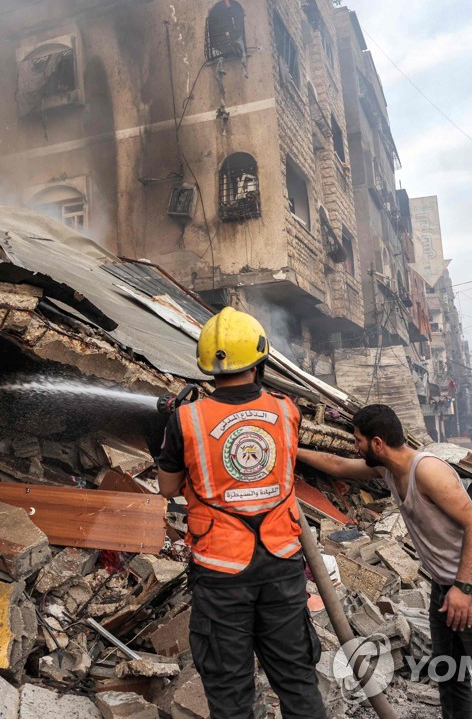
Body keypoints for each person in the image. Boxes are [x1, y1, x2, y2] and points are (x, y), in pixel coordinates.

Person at [300, 405, 472, 719]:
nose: (355, 447)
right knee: (450, 676)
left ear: (378, 443)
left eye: (358, 441)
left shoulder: (426, 471)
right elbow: (338, 465)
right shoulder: (387, 469)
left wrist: (463, 588)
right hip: (446, 586)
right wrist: (291, 451)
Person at [156, 307, 325, 719]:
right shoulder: (287, 411)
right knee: (297, 681)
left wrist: (169, 429)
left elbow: (167, 487)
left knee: (230, 695)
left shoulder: (186, 419)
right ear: (260, 358)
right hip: (282, 566)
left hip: (221, 574)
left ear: (207, 364)